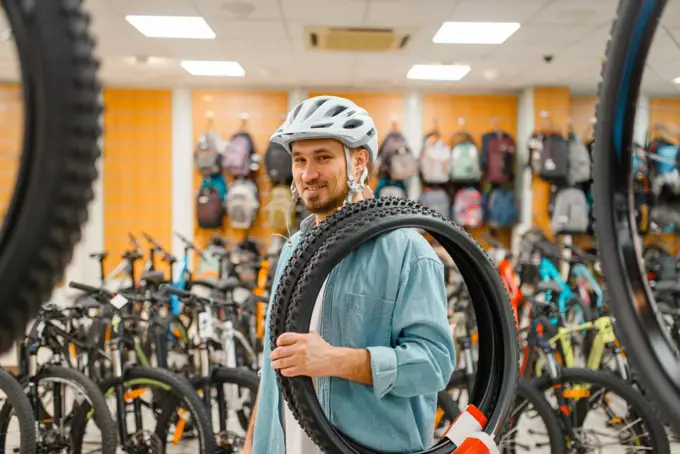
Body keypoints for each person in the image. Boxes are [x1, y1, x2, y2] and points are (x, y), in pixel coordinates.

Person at [243, 95, 456, 454]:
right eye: (300, 160)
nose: (308, 174)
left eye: (323, 158)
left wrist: (335, 361)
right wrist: (252, 444)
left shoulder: (407, 251)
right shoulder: (293, 250)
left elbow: (434, 365)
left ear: (358, 161)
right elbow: (274, 362)